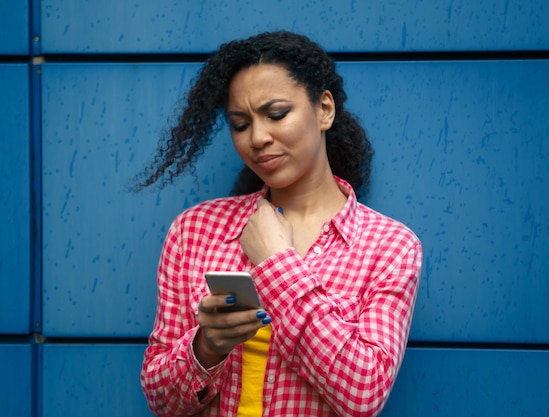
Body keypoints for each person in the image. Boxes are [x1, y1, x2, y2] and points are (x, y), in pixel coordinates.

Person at [137, 31, 422, 417]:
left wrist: (277, 263)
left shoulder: (389, 246)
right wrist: (206, 347)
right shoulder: (195, 231)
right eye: (240, 124)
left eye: (276, 115)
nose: (257, 137)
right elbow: (160, 401)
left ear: (324, 109)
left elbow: (363, 394)